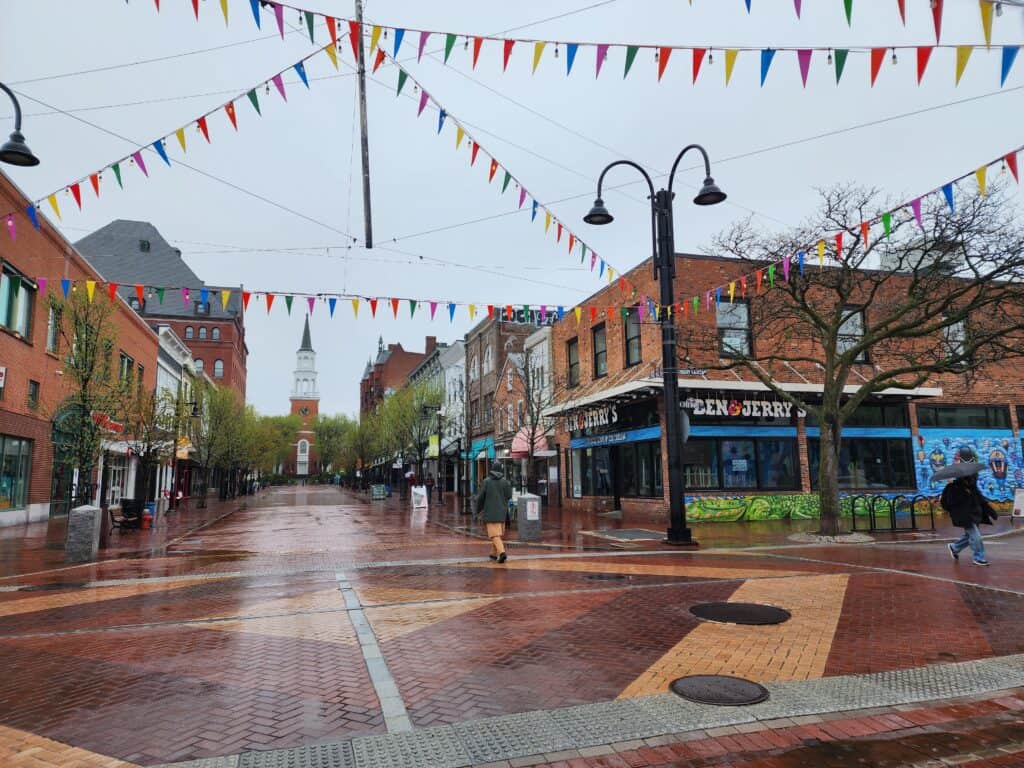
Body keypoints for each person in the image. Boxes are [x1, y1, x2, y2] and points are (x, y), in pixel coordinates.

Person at [942, 452, 997, 566]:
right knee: (976, 536)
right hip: (964, 516)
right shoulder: (954, 487)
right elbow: (951, 503)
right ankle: (979, 557)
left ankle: (954, 547)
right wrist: (962, 492)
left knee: (970, 535)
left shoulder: (972, 487)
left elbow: (979, 498)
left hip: (974, 513)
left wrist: (989, 510)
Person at [476, 466, 512, 563]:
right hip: (503, 513)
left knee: (494, 535)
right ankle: (493, 554)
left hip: (490, 512)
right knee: (497, 535)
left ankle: (501, 553)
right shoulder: (505, 482)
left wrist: (477, 510)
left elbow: (481, 497)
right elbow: (509, 496)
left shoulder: (486, 481)